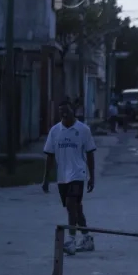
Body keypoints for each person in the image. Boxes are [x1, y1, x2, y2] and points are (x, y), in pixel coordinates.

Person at [42, 100, 97, 255]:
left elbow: (90, 153)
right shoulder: (55, 131)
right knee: (75, 209)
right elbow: (50, 156)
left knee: (71, 204)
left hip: (78, 174)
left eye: (67, 111)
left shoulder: (83, 130)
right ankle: (87, 238)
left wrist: (92, 177)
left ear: (73, 111)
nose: (64, 114)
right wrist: (46, 179)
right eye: (61, 112)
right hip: (62, 177)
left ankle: (71, 241)